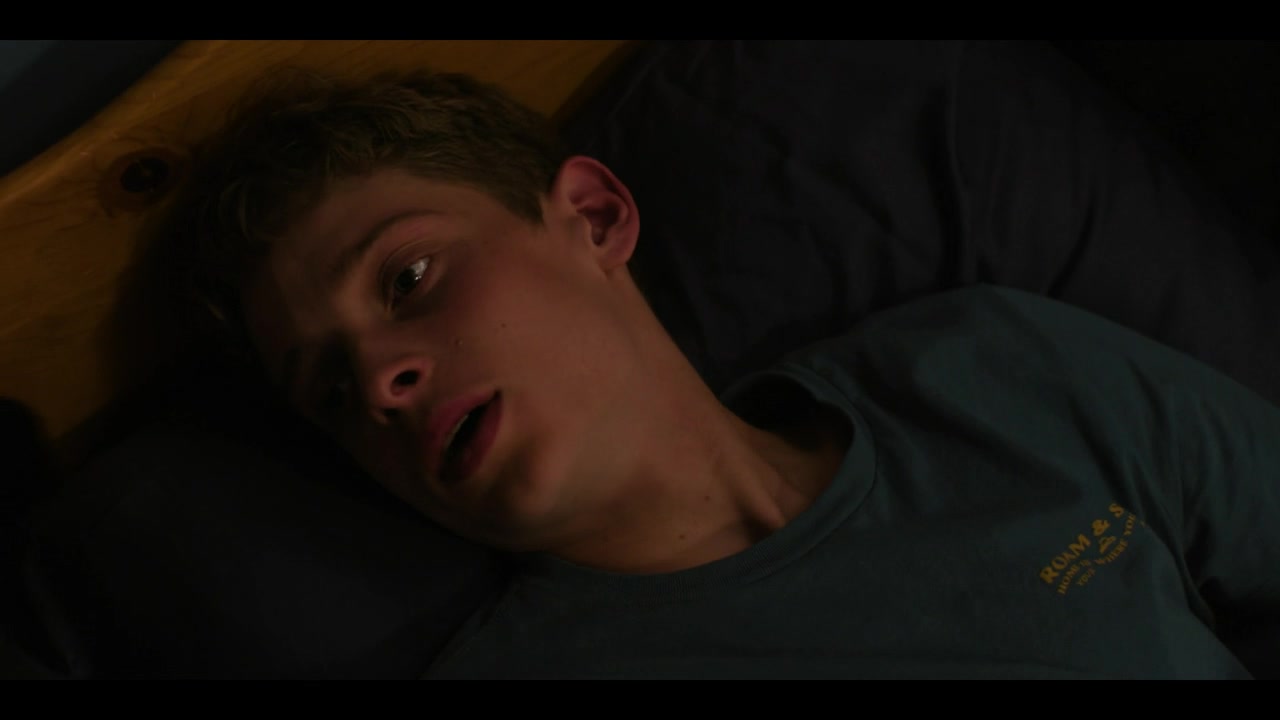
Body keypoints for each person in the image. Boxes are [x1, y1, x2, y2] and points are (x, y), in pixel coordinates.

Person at [177, 63, 1278, 679]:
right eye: (331, 389)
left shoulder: (995, 373)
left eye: (408, 277)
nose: (380, 383)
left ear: (592, 218)